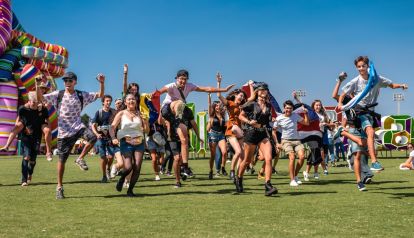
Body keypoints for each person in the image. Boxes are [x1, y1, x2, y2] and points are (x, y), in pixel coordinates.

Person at [36, 71, 104, 199]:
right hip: (63, 133)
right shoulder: (58, 94)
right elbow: (41, 98)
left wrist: (101, 83)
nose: (67, 82)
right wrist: (37, 84)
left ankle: (80, 158)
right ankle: (59, 187)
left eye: (70, 80)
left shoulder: (81, 95)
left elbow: (100, 95)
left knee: (93, 137)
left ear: (75, 82)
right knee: (62, 161)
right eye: (65, 80)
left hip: (78, 127)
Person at [158, 69, 234, 178]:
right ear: (177, 78)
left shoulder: (189, 86)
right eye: (181, 79)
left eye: (185, 79)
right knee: (179, 103)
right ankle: (178, 114)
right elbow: (159, 92)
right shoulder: (171, 86)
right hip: (167, 109)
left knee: (184, 140)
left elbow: (206, 88)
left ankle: (184, 166)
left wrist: (223, 89)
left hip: (179, 114)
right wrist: (151, 97)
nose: (183, 81)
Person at [338, 56, 408, 171]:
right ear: (356, 68)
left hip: (371, 111)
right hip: (359, 109)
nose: (361, 68)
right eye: (359, 67)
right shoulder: (355, 81)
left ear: (368, 66)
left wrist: (401, 86)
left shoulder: (376, 79)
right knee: (370, 131)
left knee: (365, 141)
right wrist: (340, 103)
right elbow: (343, 93)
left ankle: (344, 134)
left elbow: (391, 85)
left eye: (363, 66)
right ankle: (375, 162)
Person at [235, 83, 278, 196]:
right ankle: (239, 178)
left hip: (263, 134)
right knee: (247, 161)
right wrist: (249, 122)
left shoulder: (269, 105)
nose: (264, 91)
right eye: (262, 89)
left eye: (266, 90)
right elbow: (240, 116)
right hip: (251, 134)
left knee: (268, 158)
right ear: (257, 92)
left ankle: (268, 185)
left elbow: (268, 119)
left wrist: (272, 120)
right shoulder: (252, 104)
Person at [1, 92, 49, 186]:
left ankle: (30, 173)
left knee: (33, 161)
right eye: (33, 102)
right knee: (26, 157)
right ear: (29, 101)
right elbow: (19, 118)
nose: (35, 104)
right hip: (26, 136)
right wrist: (17, 127)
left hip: (36, 136)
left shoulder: (42, 109)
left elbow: (46, 121)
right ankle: (24, 180)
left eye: (36, 102)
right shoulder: (23, 109)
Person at [110, 94, 149, 196]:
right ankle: (122, 179)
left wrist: (146, 121)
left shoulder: (140, 114)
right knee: (128, 167)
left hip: (139, 142)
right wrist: (113, 138)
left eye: (133, 99)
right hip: (125, 142)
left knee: (137, 166)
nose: (131, 101)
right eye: (129, 99)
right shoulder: (121, 113)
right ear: (125, 102)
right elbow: (112, 127)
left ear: (136, 101)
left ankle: (130, 190)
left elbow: (146, 130)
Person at [217, 75, 248, 180]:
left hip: (240, 131)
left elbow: (252, 99)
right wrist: (219, 82)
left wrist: (252, 87)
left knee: (243, 156)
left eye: (243, 96)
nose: (241, 97)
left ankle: (238, 176)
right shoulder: (230, 103)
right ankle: (232, 171)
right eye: (240, 95)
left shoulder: (242, 107)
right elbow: (219, 95)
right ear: (235, 95)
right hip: (231, 130)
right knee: (238, 152)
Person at [274, 100, 309, 187]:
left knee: (302, 157)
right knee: (292, 157)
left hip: (296, 140)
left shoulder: (295, 116)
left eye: (290, 108)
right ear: (284, 108)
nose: (288, 110)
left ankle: (295, 176)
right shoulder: (279, 118)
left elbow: (307, 123)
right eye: (286, 108)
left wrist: (305, 113)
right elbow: (273, 131)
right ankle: (292, 180)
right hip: (286, 140)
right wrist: (277, 143)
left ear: (292, 109)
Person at [91, 95, 118, 183]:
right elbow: (93, 125)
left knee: (111, 157)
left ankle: (108, 169)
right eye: (107, 101)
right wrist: (97, 134)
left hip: (111, 138)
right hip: (101, 138)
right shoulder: (99, 112)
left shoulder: (113, 112)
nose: (108, 102)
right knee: (103, 157)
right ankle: (103, 176)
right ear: (103, 102)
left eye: (110, 101)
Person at [207, 93, 227, 179]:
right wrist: (209, 96)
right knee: (212, 155)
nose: (218, 107)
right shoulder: (211, 116)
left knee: (224, 152)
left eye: (219, 106)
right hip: (213, 135)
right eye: (216, 106)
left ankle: (223, 168)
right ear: (214, 107)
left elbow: (225, 104)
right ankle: (211, 170)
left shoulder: (223, 115)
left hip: (221, 135)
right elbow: (207, 129)